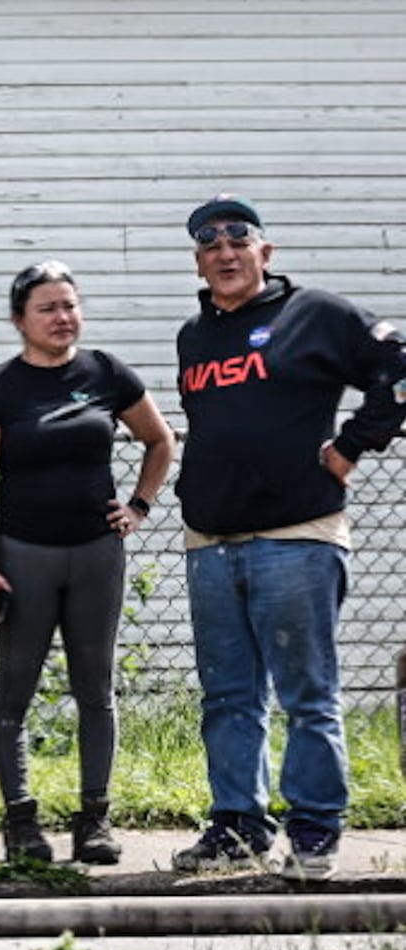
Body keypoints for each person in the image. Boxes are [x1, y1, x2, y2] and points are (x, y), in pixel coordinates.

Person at [170, 195, 406, 882]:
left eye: (238, 238)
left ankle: (314, 833)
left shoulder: (316, 315)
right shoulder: (196, 336)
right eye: (209, 243)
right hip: (209, 542)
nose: (224, 250)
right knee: (229, 696)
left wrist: (351, 448)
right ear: (199, 261)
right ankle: (238, 827)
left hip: (298, 539)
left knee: (307, 695)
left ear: (264, 252)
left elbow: (397, 369)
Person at [0, 261, 174, 865]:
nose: (63, 318)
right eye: (48, 308)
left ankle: (94, 821)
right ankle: (22, 824)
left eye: (70, 306)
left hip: (95, 556)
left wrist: (138, 506)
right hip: (22, 556)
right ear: (18, 320)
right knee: (14, 692)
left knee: (95, 690)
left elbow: (160, 441)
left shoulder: (105, 372)